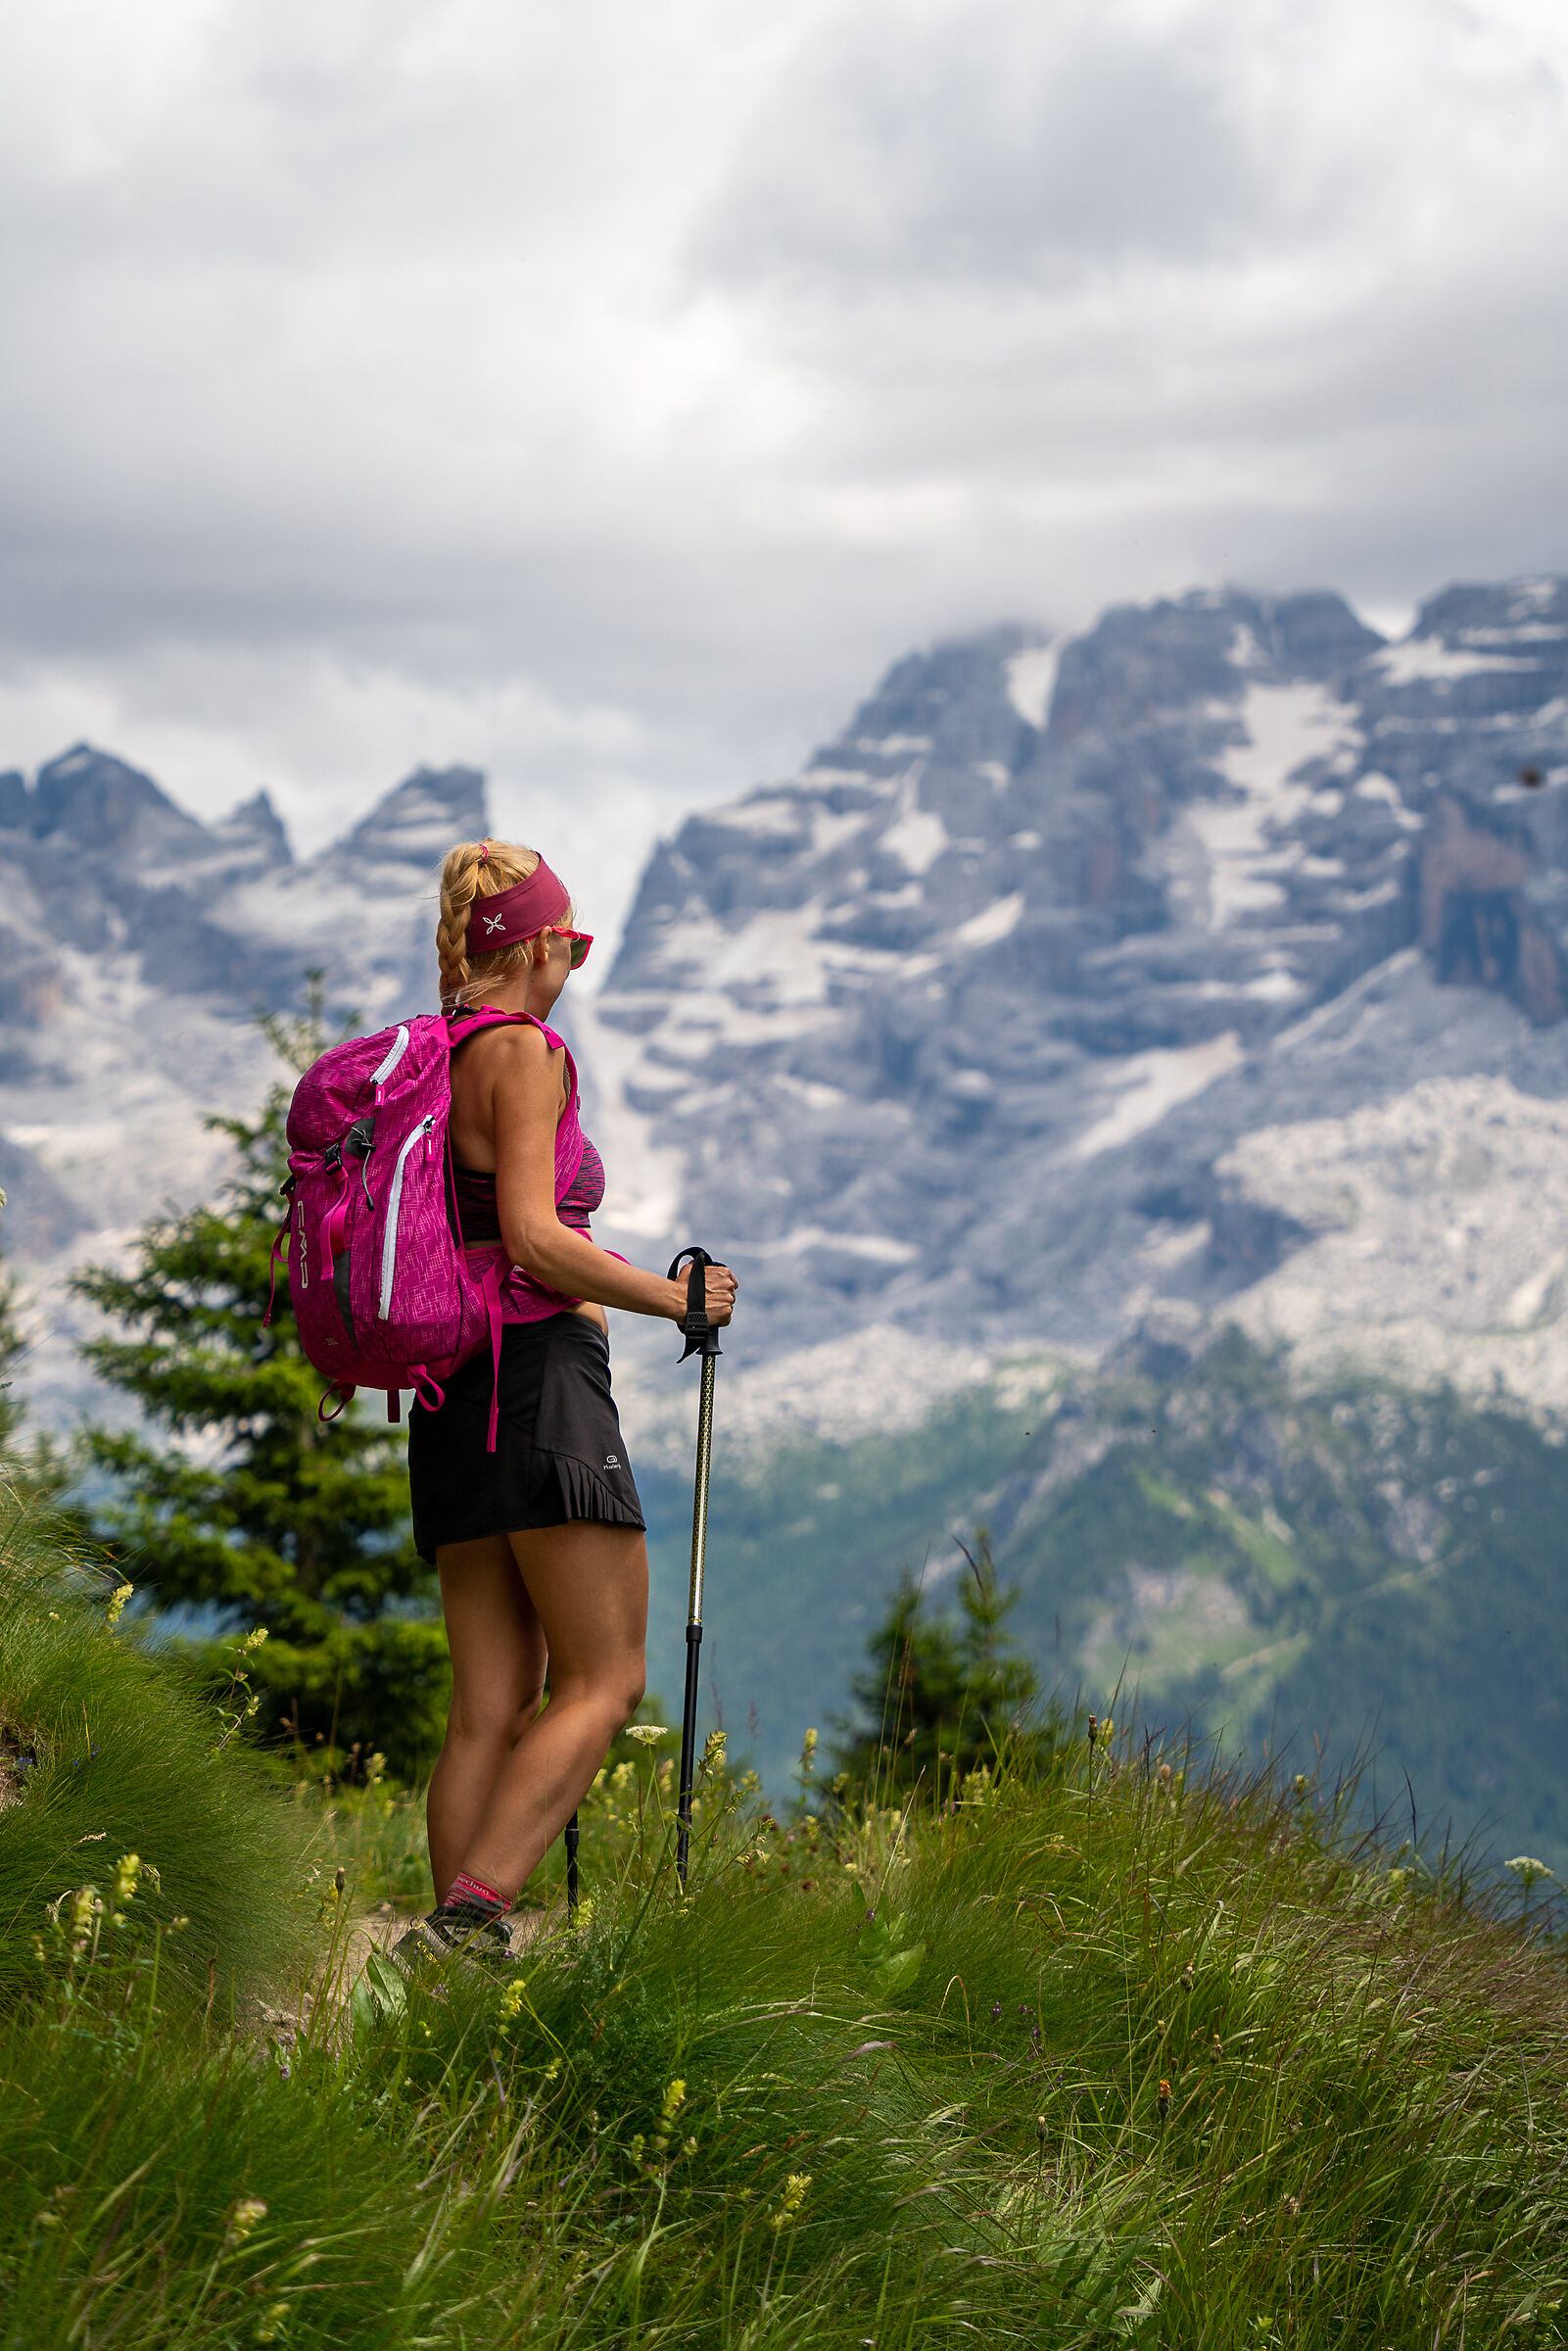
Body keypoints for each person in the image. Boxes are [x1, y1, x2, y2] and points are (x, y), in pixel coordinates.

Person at [397, 838, 736, 1960]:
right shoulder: (524, 1056)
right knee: (606, 1678)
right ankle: (468, 1923)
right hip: (540, 1383)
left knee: (484, 1708)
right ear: (540, 943)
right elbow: (538, 1240)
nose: (571, 962)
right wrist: (675, 1298)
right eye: (572, 944)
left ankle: (449, 1964)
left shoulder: (435, 1057)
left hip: (451, 1395)